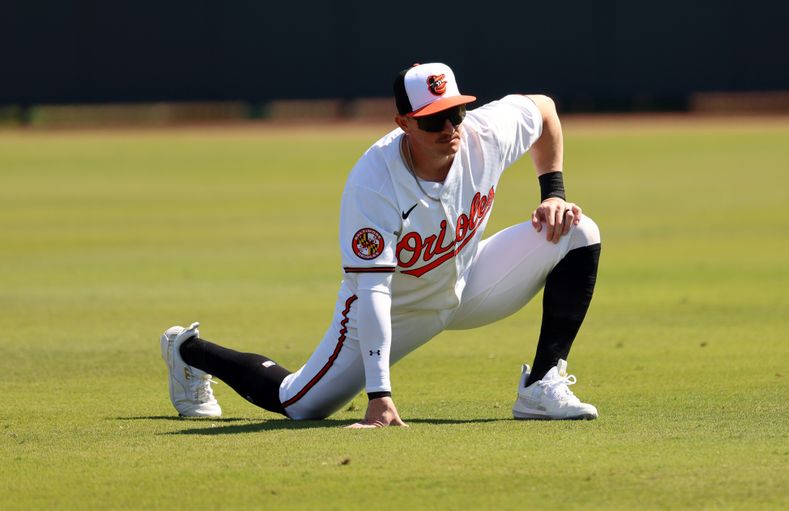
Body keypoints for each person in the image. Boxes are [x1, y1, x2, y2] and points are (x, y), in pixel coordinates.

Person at [160, 62, 602, 428]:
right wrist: (380, 395)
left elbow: (543, 109)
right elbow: (372, 291)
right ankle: (188, 351)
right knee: (298, 404)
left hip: (466, 284)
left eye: (457, 113)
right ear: (404, 123)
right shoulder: (373, 183)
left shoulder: (484, 135)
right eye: (433, 120)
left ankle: (541, 386)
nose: (450, 128)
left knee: (578, 231)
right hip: (395, 309)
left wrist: (554, 194)